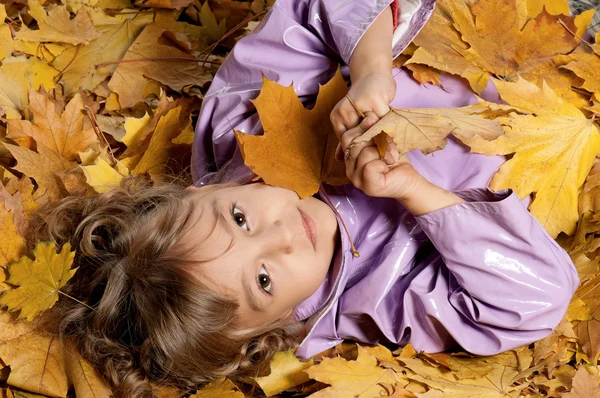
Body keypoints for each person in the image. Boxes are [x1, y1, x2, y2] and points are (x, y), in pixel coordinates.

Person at [27, 0, 579, 396]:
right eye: (263, 280)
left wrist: (369, 72)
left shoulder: (241, 124)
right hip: (565, 89)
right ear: (274, 327)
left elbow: (310, 9)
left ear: (203, 188)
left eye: (240, 217)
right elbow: (537, 300)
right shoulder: (379, 297)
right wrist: (419, 195)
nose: (283, 234)